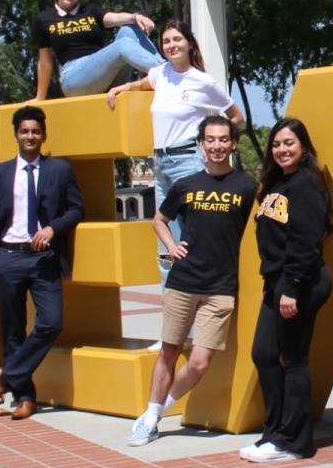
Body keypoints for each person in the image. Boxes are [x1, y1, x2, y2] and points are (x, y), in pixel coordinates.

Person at [128, 115, 257, 447]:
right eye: (210, 139)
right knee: (169, 352)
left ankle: (158, 412)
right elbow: (159, 219)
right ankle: (151, 415)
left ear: (232, 143)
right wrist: (171, 246)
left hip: (221, 288)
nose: (216, 145)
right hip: (183, 283)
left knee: (199, 361)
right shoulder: (185, 185)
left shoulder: (246, 187)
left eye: (223, 139)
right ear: (201, 144)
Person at [105, 19, 245, 278]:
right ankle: (172, 306)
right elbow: (142, 84)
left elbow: (237, 117)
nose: (171, 45)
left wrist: (213, 142)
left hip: (189, 161)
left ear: (189, 44)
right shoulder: (161, 73)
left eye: (177, 39)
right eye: (166, 41)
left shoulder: (202, 81)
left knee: (194, 232)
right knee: (165, 235)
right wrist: (124, 86)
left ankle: (201, 294)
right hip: (159, 163)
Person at [0, 106, 84, 421]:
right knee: (12, 331)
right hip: (7, 257)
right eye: (24, 131)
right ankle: (25, 397)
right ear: (16, 135)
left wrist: (53, 228)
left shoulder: (59, 170)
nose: (30, 137)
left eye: (35, 131)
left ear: (44, 135)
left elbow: (78, 209)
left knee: (51, 322)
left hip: (44, 258)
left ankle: (4, 378)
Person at [238, 118, 333, 463]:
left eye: (289, 143)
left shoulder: (307, 184)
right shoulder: (275, 185)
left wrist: (290, 287)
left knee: (294, 361)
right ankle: (276, 431)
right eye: (276, 144)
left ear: (304, 146)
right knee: (264, 353)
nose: (282, 149)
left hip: (303, 281)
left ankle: (294, 442)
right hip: (278, 283)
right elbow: (272, 243)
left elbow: (306, 241)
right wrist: (273, 286)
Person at [31, 0, 161, 100]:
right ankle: (168, 71)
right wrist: (40, 97)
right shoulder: (45, 18)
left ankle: (168, 67)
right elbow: (45, 62)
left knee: (129, 29)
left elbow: (113, 18)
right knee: (123, 45)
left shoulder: (90, 10)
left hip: (103, 73)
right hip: (74, 78)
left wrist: (135, 17)